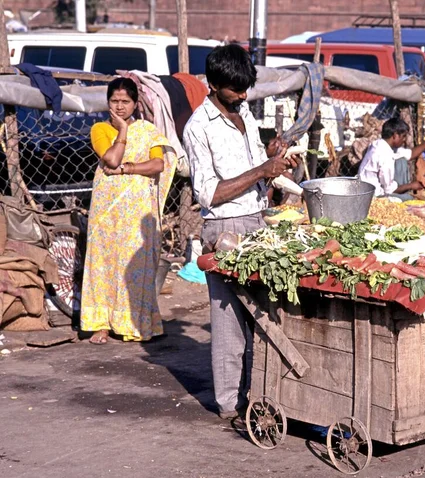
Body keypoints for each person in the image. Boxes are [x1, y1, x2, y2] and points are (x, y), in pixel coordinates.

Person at [182, 44, 299, 419]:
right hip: (225, 227)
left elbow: (253, 161)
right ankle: (230, 404)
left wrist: (272, 155)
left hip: (257, 218)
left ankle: (258, 392)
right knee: (230, 320)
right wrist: (262, 171)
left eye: (247, 88)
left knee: (260, 315)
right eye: (236, 90)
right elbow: (209, 193)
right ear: (213, 85)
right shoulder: (198, 127)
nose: (244, 96)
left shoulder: (243, 111)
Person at [81, 77, 176, 344]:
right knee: (103, 262)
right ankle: (100, 324)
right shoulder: (100, 129)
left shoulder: (147, 131)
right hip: (106, 211)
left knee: (134, 264)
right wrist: (122, 131)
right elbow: (110, 158)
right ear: (108, 102)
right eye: (114, 101)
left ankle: (132, 323)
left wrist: (127, 169)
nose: (120, 106)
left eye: (125, 102)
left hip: (136, 213)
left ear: (135, 104)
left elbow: (157, 165)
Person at [358, 118, 425, 200]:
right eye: (403, 136)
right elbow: (389, 189)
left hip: (365, 190)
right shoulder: (385, 155)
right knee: (408, 199)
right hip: (372, 197)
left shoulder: (379, 144)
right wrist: (411, 186)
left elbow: (411, 154)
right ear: (395, 135)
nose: (404, 140)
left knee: (402, 160)